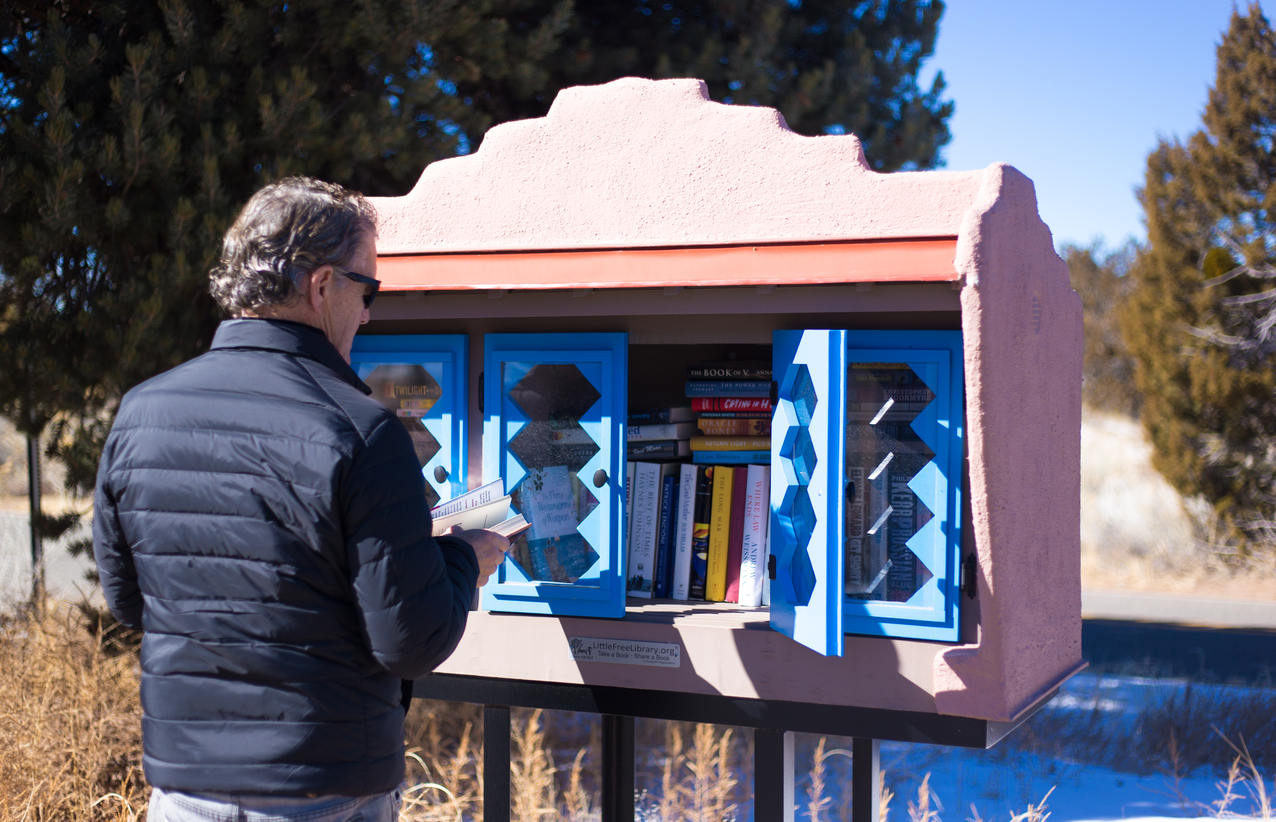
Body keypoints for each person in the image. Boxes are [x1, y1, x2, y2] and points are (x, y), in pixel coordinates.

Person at [93, 177, 508, 822]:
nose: (368, 312)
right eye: (366, 290)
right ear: (321, 287)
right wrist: (463, 561)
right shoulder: (361, 430)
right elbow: (409, 640)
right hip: (325, 788)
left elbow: (130, 599)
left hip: (182, 789)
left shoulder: (141, 411)